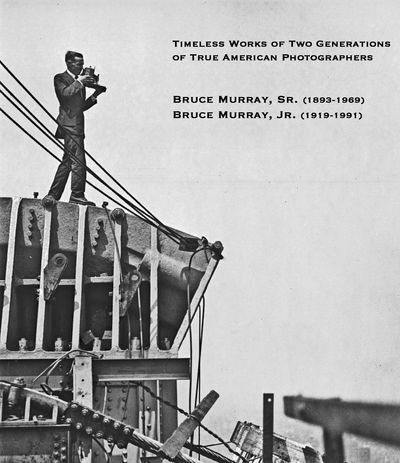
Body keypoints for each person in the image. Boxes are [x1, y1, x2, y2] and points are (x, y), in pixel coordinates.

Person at [42, 51, 105, 207]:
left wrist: (95, 94)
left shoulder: (79, 82)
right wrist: (81, 83)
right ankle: (77, 195)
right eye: (79, 64)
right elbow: (64, 95)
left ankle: (53, 195)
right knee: (79, 161)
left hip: (76, 125)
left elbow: (79, 107)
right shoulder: (60, 78)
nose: (82, 67)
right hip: (69, 126)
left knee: (68, 162)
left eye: (83, 64)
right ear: (69, 63)